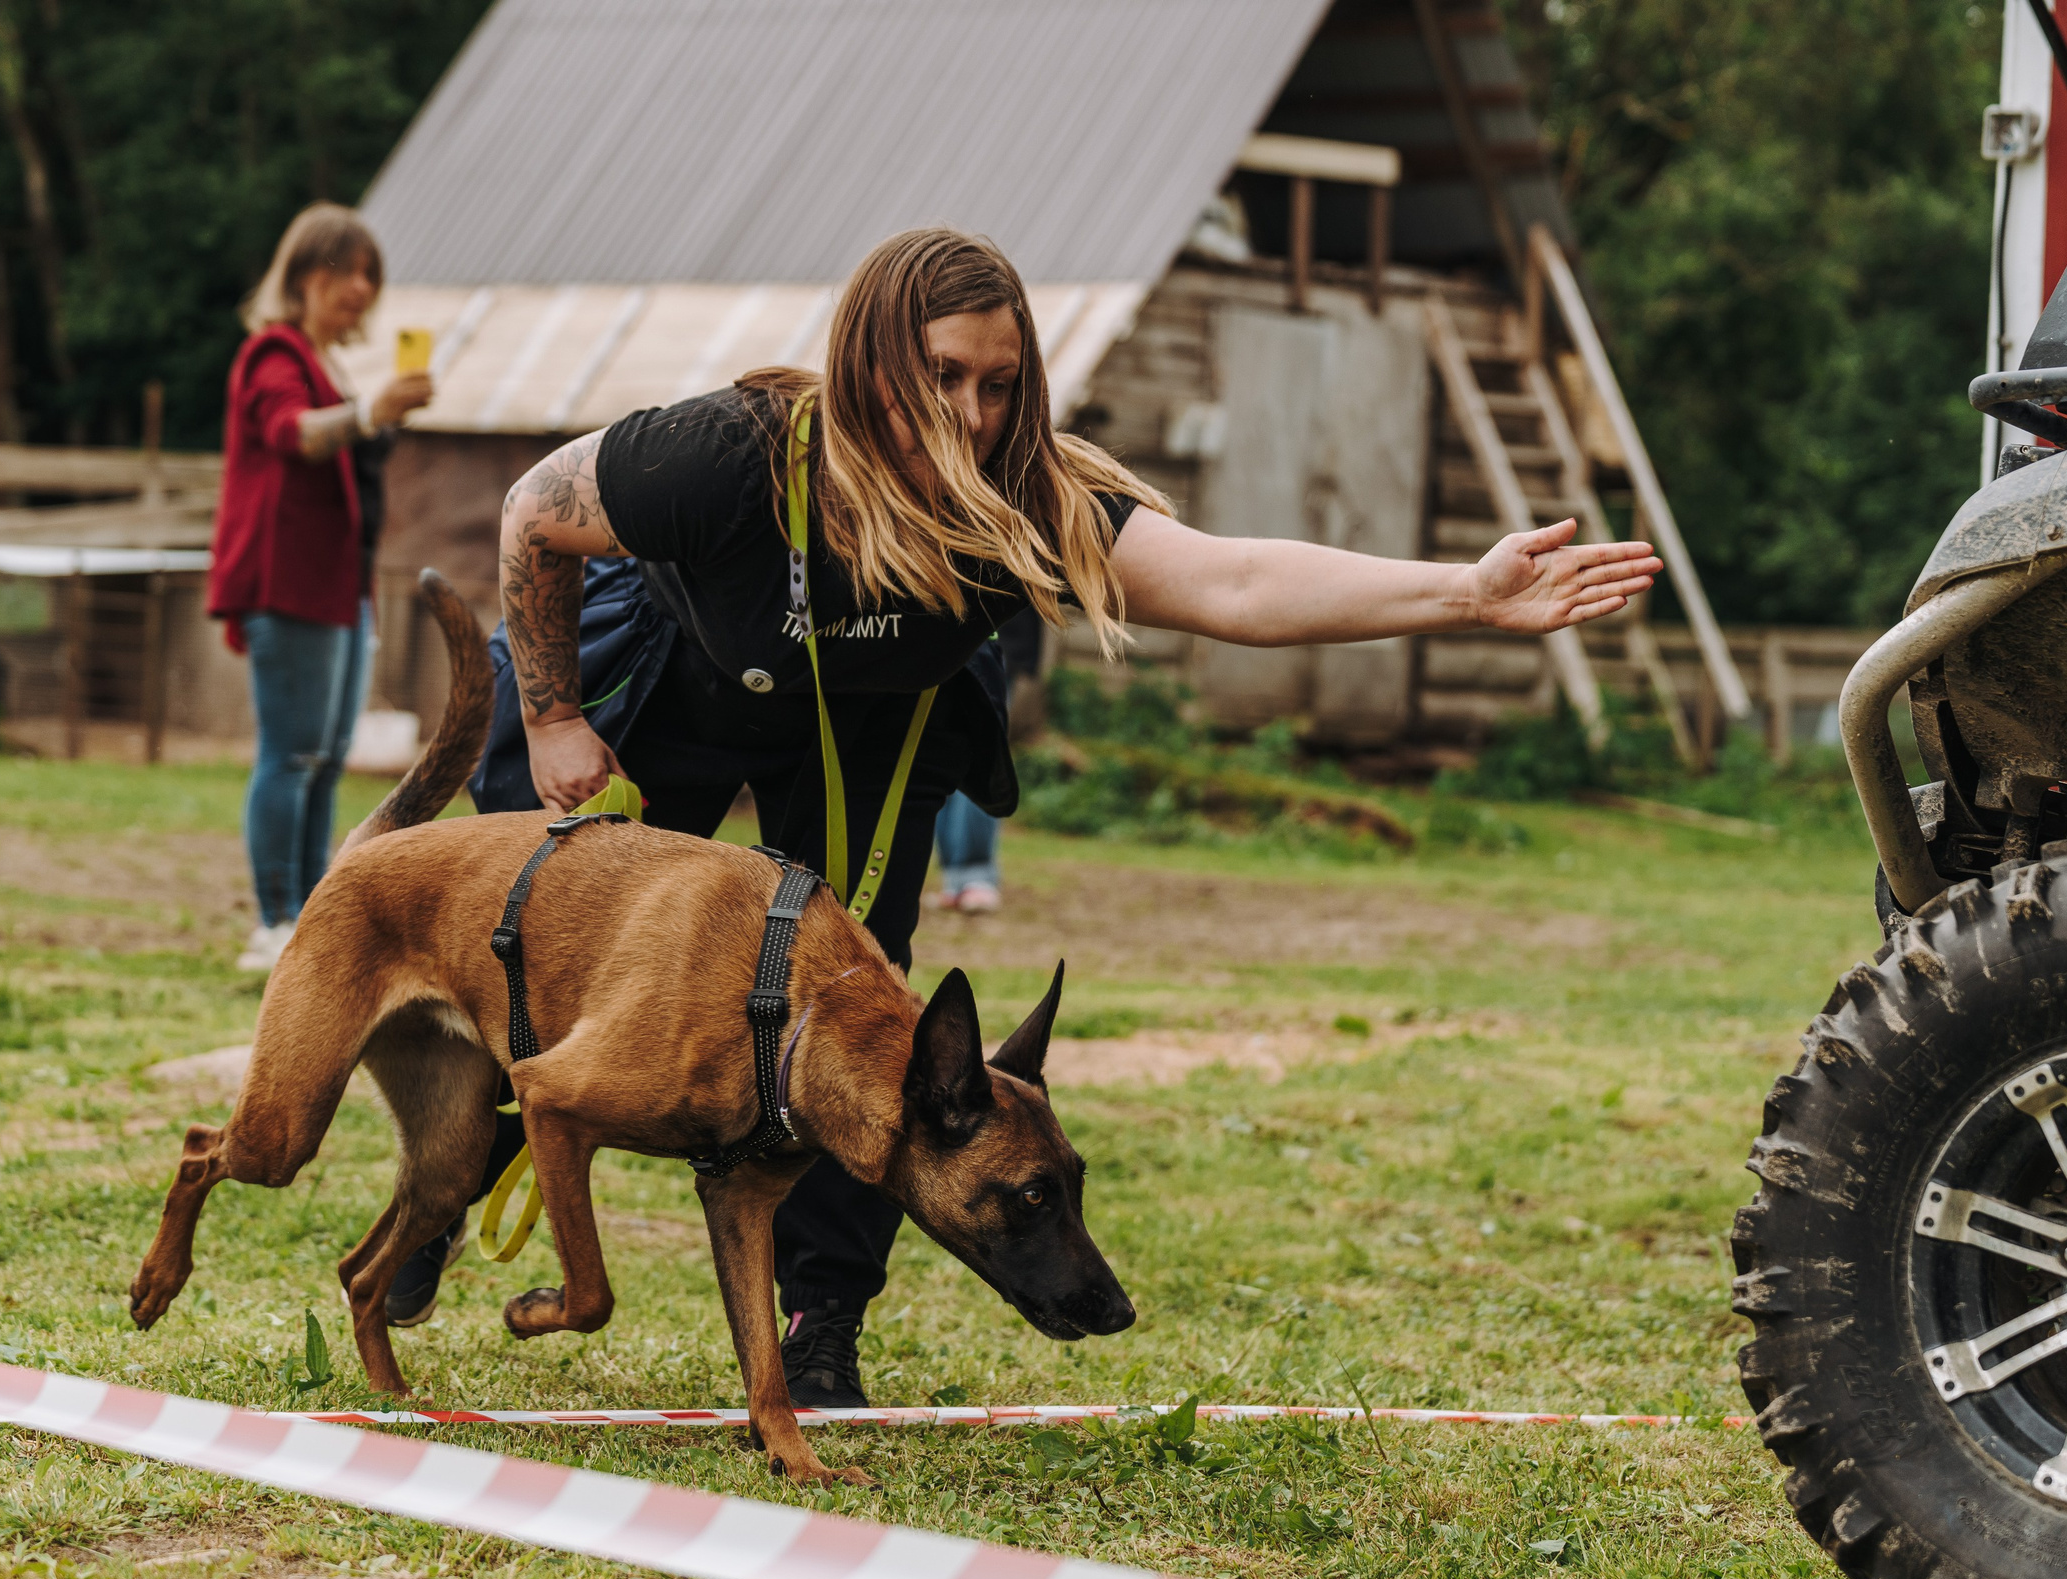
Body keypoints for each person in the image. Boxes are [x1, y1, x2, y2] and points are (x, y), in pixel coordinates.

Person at [387, 227, 1659, 1400]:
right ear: (869, 360)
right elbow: (535, 512)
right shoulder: (731, 454)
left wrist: (1465, 593)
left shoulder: (1024, 502)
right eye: (941, 375)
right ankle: (437, 1203)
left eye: (1000, 383)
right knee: (541, 962)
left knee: (874, 1034)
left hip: (875, 728)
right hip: (681, 680)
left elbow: (1234, 581)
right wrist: (553, 717)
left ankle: (823, 1325)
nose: (973, 413)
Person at [207, 202, 434, 973]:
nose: (361, 288)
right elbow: (293, 433)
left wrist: (371, 412)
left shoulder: (326, 364)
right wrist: (370, 412)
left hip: (340, 588)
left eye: (370, 275)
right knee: (292, 755)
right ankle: (272, 921)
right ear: (304, 277)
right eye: (346, 272)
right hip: (289, 583)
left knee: (328, 759)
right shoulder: (272, 354)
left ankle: (306, 917)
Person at [932, 606, 1041, 912]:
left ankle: (971, 875)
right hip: (943, 639)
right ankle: (959, 877)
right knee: (949, 759)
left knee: (974, 757)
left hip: (992, 639)